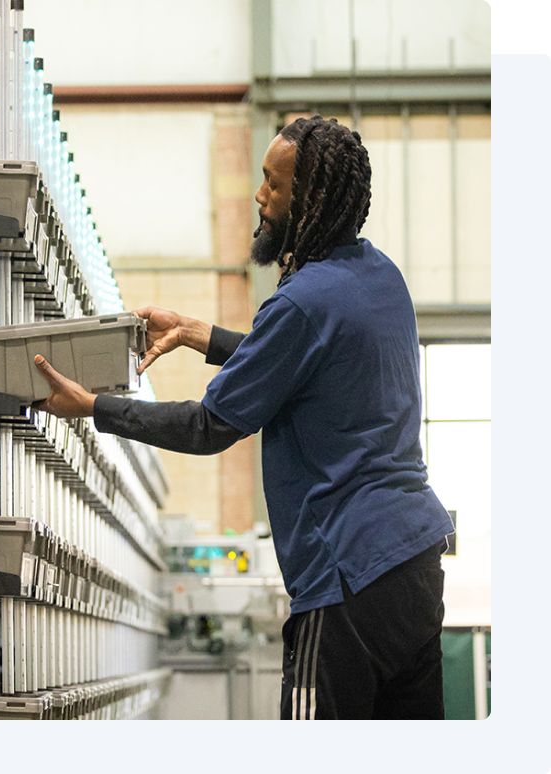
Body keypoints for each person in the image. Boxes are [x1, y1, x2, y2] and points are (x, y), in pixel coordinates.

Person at [31, 115, 455, 720]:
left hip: (347, 577)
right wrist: (199, 334)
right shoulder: (380, 279)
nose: (260, 196)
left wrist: (92, 406)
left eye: (272, 184)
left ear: (309, 199)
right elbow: (306, 364)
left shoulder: (302, 301)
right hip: (414, 566)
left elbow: (210, 425)